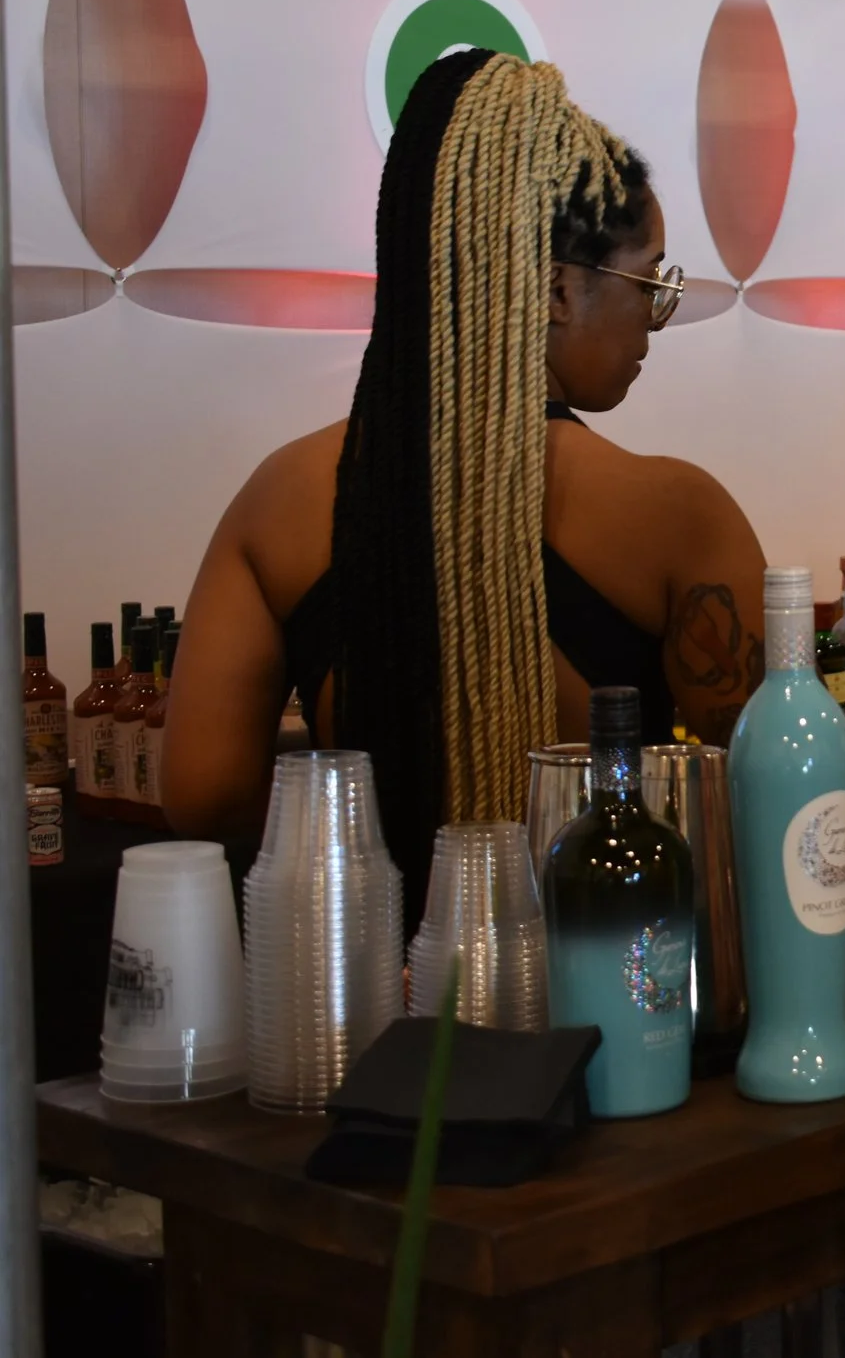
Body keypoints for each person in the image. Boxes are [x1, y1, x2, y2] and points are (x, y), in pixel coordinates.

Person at [163, 50, 769, 899]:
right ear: (559, 290)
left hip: (377, 1009)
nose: (654, 320)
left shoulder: (276, 503)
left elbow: (204, 795)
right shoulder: (677, 514)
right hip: (606, 1005)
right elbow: (760, 817)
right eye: (649, 281)